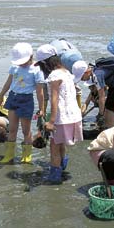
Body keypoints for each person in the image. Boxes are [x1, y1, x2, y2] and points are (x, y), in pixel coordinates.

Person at [35, 44, 83, 184]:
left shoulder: (54, 75)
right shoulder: (66, 72)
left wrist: (51, 121)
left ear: (46, 63)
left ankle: (54, 178)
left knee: (54, 147)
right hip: (73, 115)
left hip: (62, 117)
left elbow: (54, 99)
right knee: (61, 144)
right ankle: (61, 169)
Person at [0, 42, 45, 164]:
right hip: (13, 97)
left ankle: (26, 155)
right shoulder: (14, 67)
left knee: (26, 130)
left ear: (30, 56)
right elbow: (8, 82)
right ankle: (9, 155)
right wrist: (2, 95)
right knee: (12, 129)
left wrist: (42, 108)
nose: (21, 63)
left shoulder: (36, 69)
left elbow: (40, 92)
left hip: (26, 100)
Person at [72, 58, 114, 129]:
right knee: (108, 108)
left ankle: (110, 131)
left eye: (81, 77)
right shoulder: (93, 68)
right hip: (113, 84)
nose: (81, 80)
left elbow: (102, 97)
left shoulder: (96, 76)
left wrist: (101, 115)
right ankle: (107, 126)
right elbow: (91, 99)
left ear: (87, 72)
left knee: (112, 109)